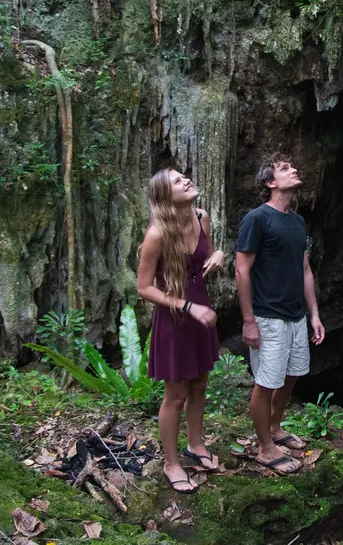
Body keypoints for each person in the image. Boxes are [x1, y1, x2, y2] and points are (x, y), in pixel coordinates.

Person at [235, 153, 325, 475]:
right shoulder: (257, 219)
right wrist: (248, 321)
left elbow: (305, 270)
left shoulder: (297, 222)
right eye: (285, 168)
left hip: (295, 316)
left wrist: (313, 314)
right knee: (266, 382)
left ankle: (274, 426)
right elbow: (242, 271)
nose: (294, 169)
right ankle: (264, 447)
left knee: (293, 373)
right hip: (267, 316)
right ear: (271, 182)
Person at [137, 168, 225, 493]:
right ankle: (171, 463)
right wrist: (187, 307)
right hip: (175, 318)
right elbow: (144, 287)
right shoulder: (157, 234)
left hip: (202, 312)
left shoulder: (202, 217)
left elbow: (206, 260)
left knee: (200, 384)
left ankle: (196, 445)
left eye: (183, 176)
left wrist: (218, 254)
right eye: (176, 181)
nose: (186, 179)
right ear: (165, 197)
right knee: (176, 395)